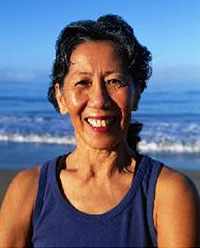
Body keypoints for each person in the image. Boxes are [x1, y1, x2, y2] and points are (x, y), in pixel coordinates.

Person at [0, 14, 199, 247]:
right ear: (60, 96)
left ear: (137, 93)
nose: (99, 100)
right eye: (82, 82)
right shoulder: (28, 190)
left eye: (114, 81)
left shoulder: (170, 193)